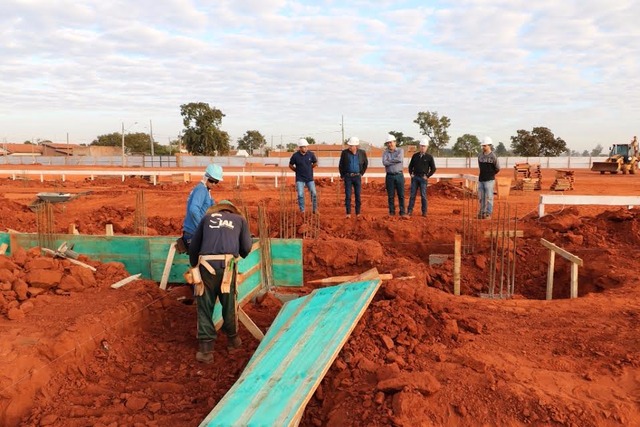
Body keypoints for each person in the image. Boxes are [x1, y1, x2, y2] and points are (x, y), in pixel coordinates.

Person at [188, 200, 253, 364]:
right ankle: (233, 341)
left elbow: (194, 247)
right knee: (229, 303)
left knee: (204, 305)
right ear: (232, 211)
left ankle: (205, 350)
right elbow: (246, 248)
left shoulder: (206, 219)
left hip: (205, 266)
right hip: (227, 268)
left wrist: (195, 266)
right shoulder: (240, 220)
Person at [179, 164, 222, 252]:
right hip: (193, 234)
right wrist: (202, 228)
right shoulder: (201, 190)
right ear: (205, 177)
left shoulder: (205, 190)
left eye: (216, 181)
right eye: (211, 181)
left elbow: (213, 207)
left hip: (193, 233)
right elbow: (193, 210)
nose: (213, 184)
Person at [338, 137, 368, 218]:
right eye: (349, 145)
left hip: (357, 177)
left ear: (356, 146)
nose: (350, 147)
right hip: (348, 177)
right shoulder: (345, 153)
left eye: (351, 145)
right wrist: (343, 175)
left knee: (357, 195)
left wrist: (361, 173)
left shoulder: (362, 153)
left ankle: (358, 213)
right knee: (348, 195)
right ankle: (348, 213)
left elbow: (365, 163)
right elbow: (341, 165)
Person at [407, 139, 437, 217]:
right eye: (421, 146)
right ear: (419, 146)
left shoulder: (429, 157)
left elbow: (433, 168)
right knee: (412, 195)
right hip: (415, 178)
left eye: (424, 146)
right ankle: (409, 211)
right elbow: (410, 166)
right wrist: (411, 174)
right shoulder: (415, 156)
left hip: (423, 179)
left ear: (427, 147)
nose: (422, 147)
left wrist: (427, 176)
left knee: (423, 195)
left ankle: (424, 212)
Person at [289, 138, 318, 213]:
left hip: (309, 178)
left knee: (314, 193)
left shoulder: (311, 154)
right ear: (300, 147)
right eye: (304, 147)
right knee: (300, 195)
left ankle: (315, 209)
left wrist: (309, 168)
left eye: (306, 146)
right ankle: (302, 210)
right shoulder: (295, 156)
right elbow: (290, 165)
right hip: (300, 178)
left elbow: (315, 163)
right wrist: (296, 170)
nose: (306, 148)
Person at [382, 134, 405, 216]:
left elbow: (400, 159)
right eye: (388, 143)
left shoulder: (400, 151)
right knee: (390, 196)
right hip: (389, 176)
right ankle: (392, 212)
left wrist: (389, 161)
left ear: (395, 142)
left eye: (391, 142)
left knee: (401, 195)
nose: (389, 144)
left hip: (399, 175)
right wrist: (393, 161)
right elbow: (384, 163)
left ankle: (402, 212)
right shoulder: (385, 153)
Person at [478, 137, 500, 219]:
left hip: (489, 180)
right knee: (482, 197)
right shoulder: (480, 156)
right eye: (482, 145)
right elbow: (480, 167)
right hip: (481, 179)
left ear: (489, 145)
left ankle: (488, 213)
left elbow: (497, 168)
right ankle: (482, 212)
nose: (483, 147)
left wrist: (491, 175)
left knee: (489, 197)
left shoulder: (493, 156)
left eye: (485, 145)